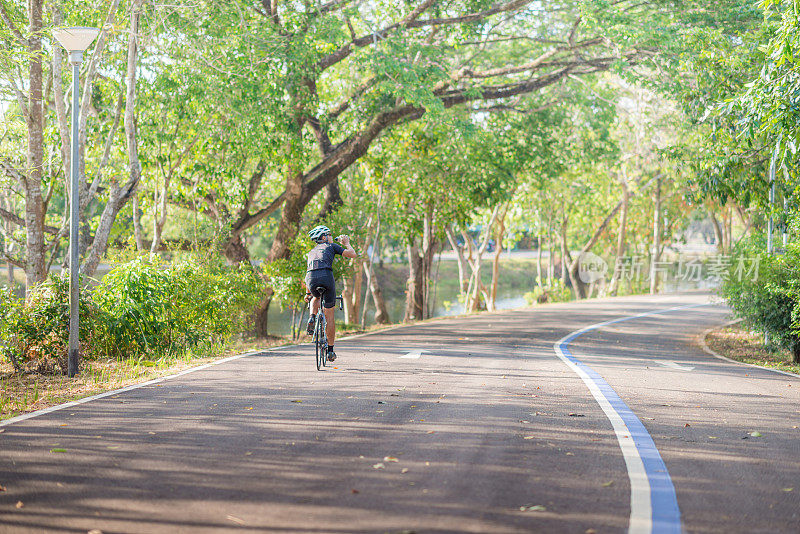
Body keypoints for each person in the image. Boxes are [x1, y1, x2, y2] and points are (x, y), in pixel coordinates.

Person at [304, 225, 357, 361]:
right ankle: (330, 351)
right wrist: (346, 243)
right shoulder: (331, 246)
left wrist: (307, 293)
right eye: (329, 234)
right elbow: (352, 254)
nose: (332, 237)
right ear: (324, 238)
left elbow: (308, 273)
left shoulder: (311, 252)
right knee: (329, 316)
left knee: (315, 297)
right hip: (326, 276)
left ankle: (312, 317)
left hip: (311, 279)